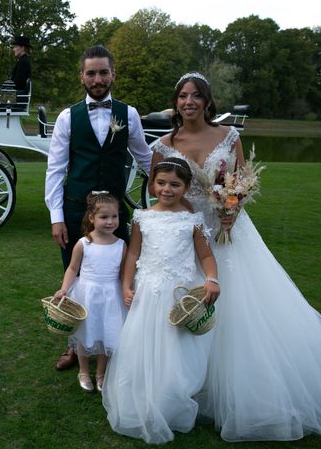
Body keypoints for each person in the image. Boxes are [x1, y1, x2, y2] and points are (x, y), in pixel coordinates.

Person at [151, 72, 321, 444]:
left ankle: (245, 391)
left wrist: (234, 205)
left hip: (230, 234)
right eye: (182, 96)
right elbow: (163, 192)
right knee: (188, 305)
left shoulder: (229, 136)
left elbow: (239, 180)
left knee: (240, 309)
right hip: (187, 237)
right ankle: (188, 385)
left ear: (207, 101)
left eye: (196, 96)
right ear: (176, 102)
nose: (188, 102)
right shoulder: (164, 144)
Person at [45, 45, 152, 371]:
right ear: (82, 76)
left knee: (119, 279)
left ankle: (118, 346)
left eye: (103, 72)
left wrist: (178, 189)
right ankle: (74, 347)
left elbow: (146, 157)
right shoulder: (67, 117)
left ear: (113, 74)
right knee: (76, 280)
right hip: (77, 213)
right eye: (91, 72)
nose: (97, 78)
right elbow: (56, 169)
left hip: (115, 215)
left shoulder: (128, 114)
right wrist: (56, 218)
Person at [102, 157, 220, 444]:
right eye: (161, 183)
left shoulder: (192, 220)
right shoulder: (142, 216)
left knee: (174, 346)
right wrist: (126, 285)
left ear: (186, 187)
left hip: (177, 293)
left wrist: (212, 279)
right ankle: (143, 393)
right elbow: (133, 254)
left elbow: (205, 255)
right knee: (143, 342)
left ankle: (172, 396)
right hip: (148, 290)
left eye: (175, 184)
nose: (167, 189)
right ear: (153, 184)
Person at [52, 192, 127, 393]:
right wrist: (64, 288)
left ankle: (101, 372)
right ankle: (83, 370)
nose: (110, 221)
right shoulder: (84, 243)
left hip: (111, 295)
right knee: (85, 333)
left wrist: (126, 292)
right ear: (91, 218)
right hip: (87, 294)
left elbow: (122, 274)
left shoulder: (121, 245)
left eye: (114, 216)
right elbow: (72, 269)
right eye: (104, 217)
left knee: (107, 333)